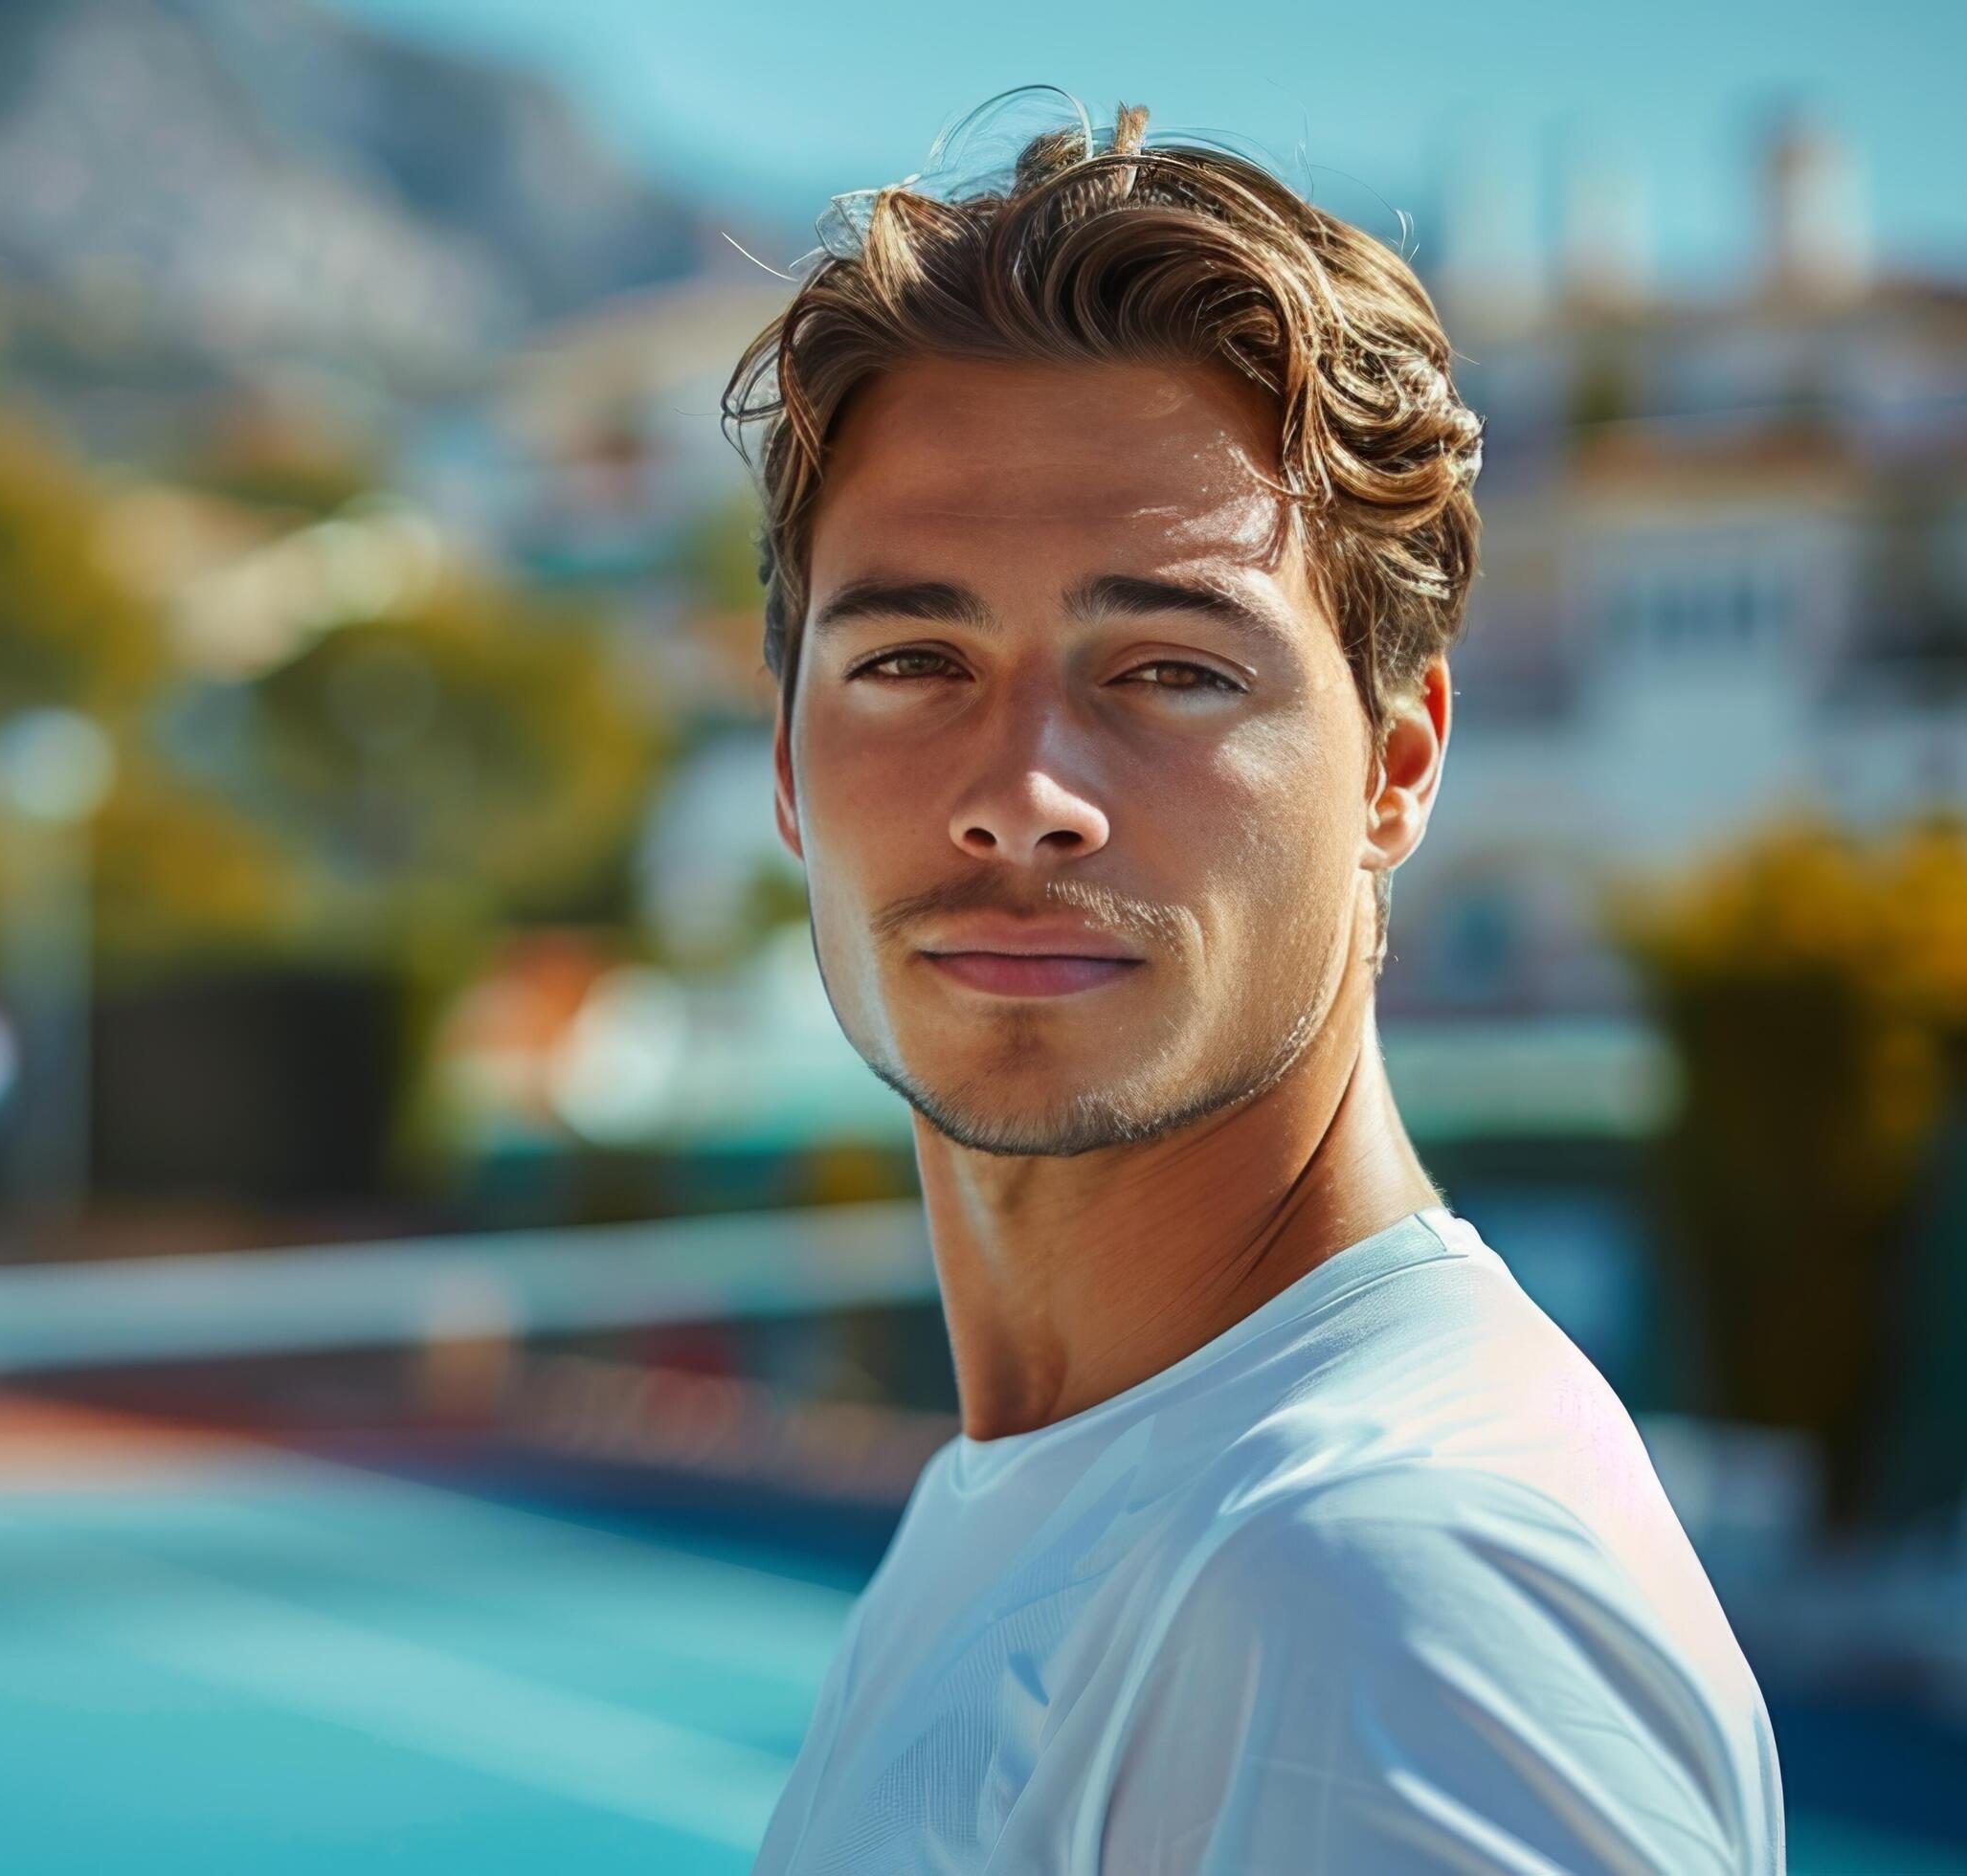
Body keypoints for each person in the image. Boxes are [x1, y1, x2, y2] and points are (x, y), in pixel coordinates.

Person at [727, 97, 1785, 1873]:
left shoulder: (1388, 1583)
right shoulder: (1072, 1489)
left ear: (1395, 765)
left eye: (1168, 669)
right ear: (783, 768)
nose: (1020, 792)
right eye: (913, 658)